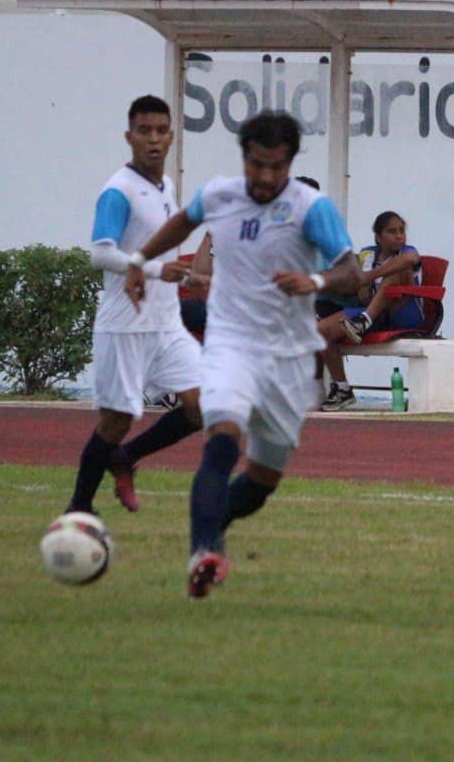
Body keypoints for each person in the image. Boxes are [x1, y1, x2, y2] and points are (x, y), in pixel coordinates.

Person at [124, 110, 365, 598]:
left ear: (291, 162)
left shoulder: (311, 207)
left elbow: (352, 274)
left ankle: (213, 528)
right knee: (222, 438)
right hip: (230, 343)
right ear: (244, 158)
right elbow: (182, 222)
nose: (266, 177)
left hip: (289, 356)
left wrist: (314, 280)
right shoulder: (220, 195)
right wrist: (139, 260)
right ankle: (203, 552)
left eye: (277, 166)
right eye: (257, 164)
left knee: (260, 483)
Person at [66, 95, 206, 516]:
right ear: (129, 137)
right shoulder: (119, 190)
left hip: (166, 325)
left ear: (172, 137)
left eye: (161, 131)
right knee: (117, 421)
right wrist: (156, 270)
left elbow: (158, 253)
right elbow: (100, 253)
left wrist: (187, 276)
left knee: (205, 404)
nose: (153, 139)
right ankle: (79, 509)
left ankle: (126, 458)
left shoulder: (167, 187)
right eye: (144, 131)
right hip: (125, 325)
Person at [316, 210, 423, 411]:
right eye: (392, 231)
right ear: (378, 237)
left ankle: (364, 321)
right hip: (368, 313)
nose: (399, 236)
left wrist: (370, 277)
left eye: (402, 231)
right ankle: (342, 389)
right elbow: (356, 279)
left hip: (401, 315)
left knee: (398, 271)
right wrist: (360, 284)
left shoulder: (407, 252)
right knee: (320, 331)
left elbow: (410, 259)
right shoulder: (368, 254)